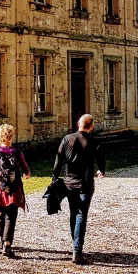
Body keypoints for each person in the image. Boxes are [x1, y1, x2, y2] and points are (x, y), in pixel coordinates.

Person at [53, 114, 106, 265]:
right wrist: (101, 170)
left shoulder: (67, 139)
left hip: (69, 183)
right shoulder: (93, 142)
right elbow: (101, 158)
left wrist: (55, 177)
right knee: (81, 215)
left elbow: (59, 159)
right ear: (92, 127)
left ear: (78, 124)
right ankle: (77, 250)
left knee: (73, 213)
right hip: (85, 183)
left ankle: (76, 245)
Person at [0, 123, 30, 257]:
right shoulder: (17, 152)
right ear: (11, 137)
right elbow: (26, 170)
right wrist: (26, 174)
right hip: (13, 188)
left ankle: (2, 241)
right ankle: (7, 244)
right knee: (11, 216)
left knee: (1, 215)